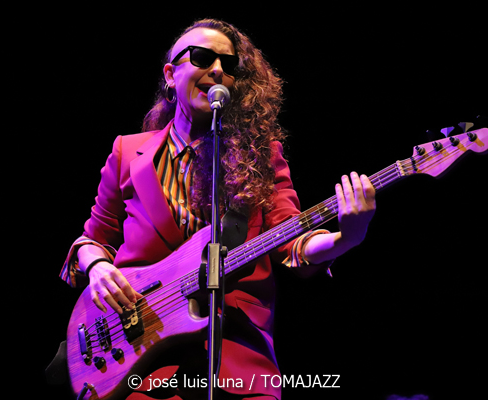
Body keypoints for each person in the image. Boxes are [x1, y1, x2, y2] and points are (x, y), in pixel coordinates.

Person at [59, 18, 376, 400]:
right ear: (170, 74)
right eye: (202, 57)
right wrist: (97, 266)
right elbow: (93, 240)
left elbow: (291, 242)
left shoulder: (261, 156)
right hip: (139, 357)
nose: (217, 70)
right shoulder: (128, 152)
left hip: (235, 354)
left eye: (229, 64)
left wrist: (346, 237)